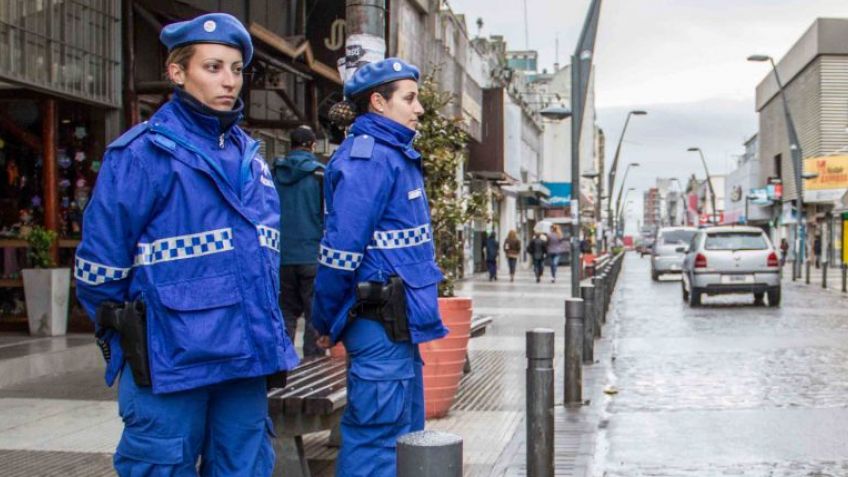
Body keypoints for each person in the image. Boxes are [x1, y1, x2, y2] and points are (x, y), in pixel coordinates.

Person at [74, 13, 299, 476]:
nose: (229, 82)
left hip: (244, 364)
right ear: (177, 72)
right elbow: (99, 272)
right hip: (171, 362)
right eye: (213, 67)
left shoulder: (252, 158)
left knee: (247, 467)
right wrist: (134, 336)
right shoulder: (141, 155)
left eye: (236, 70)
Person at [311, 58, 448, 477]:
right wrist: (323, 320)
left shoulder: (393, 155)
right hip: (378, 323)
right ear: (378, 102)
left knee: (404, 437)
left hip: (399, 323)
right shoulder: (369, 160)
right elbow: (339, 254)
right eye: (409, 98)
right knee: (377, 441)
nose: (419, 108)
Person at [274, 126, 326, 359]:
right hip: (312, 255)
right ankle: (312, 366)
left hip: (281, 255)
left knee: (285, 311)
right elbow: (329, 215)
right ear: (312, 145)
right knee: (314, 312)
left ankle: (283, 366)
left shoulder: (273, 174)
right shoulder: (319, 176)